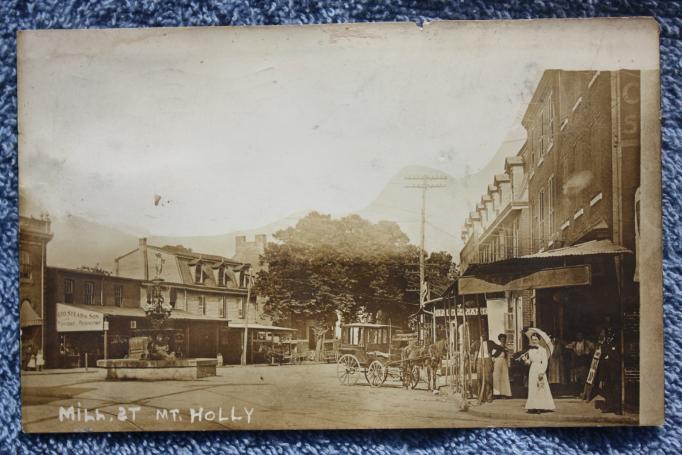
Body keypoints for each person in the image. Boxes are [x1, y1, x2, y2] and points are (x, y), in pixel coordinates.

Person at [522, 333, 555, 413]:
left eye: (535, 339)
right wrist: (525, 360)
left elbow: (545, 362)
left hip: (540, 369)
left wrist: (542, 372)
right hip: (532, 369)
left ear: (539, 340)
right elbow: (529, 362)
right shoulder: (530, 350)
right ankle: (533, 406)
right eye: (532, 339)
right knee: (533, 388)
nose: (534, 341)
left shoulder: (542, 350)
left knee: (540, 388)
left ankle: (540, 406)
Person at [491, 334, 512, 398]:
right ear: (499, 340)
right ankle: (497, 393)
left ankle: (505, 393)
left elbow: (508, 357)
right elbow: (493, 356)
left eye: (504, 339)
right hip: (497, 361)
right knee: (496, 377)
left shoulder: (506, 348)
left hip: (504, 362)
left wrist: (509, 364)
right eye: (501, 339)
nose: (503, 340)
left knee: (504, 377)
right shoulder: (497, 347)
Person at [475, 336, 494, 403]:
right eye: (482, 334)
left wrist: (492, 356)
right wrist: (475, 361)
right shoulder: (477, 342)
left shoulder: (490, 342)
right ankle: (480, 396)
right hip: (480, 360)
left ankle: (489, 397)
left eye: (484, 333)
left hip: (487, 359)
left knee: (488, 378)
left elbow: (498, 347)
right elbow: (475, 352)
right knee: (479, 378)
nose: (483, 335)